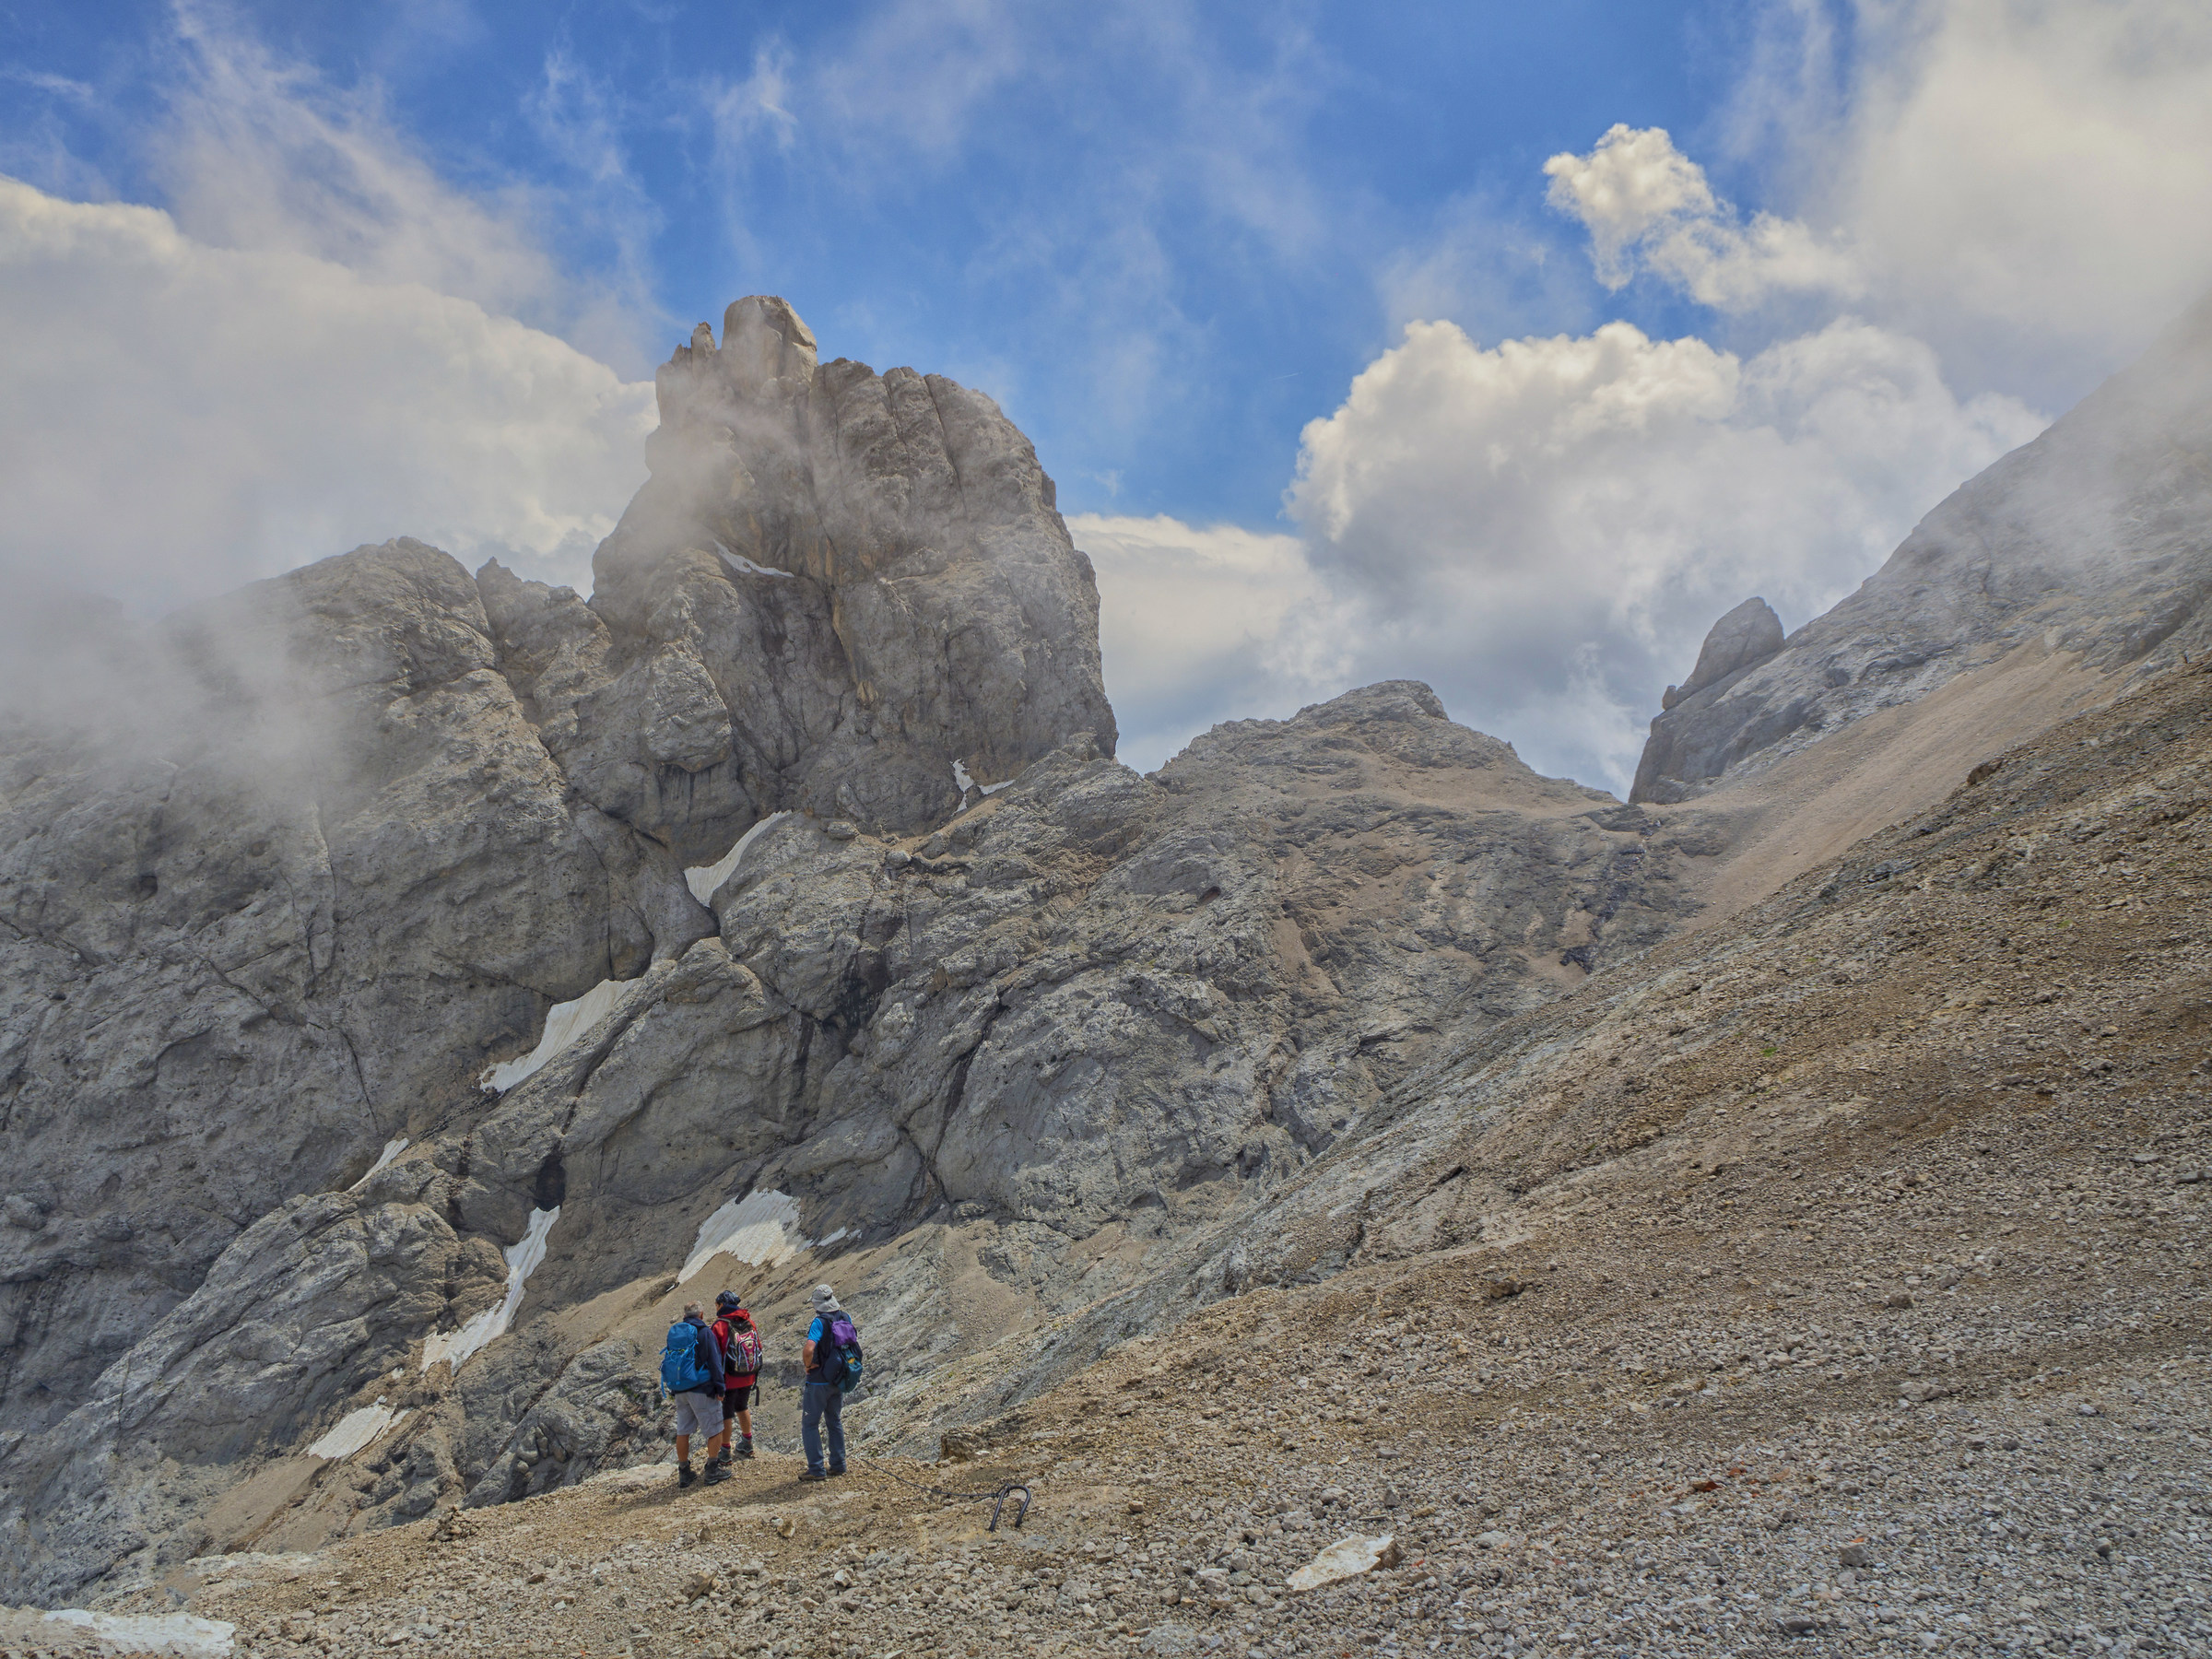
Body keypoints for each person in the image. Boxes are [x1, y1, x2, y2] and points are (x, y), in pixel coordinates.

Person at [665, 1301, 727, 1488]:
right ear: (701, 1315)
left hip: (680, 1389)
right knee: (715, 1428)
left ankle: (684, 1472)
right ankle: (712, 1470)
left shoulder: (676, 1333)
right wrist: (720, 1388)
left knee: (683, 1430)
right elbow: (715, 1361)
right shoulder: (705, 1332)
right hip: (701, 1388)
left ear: (685, 1316)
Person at [798, 1284, 854, 1481]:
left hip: (818, 1382)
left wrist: (808, 1365)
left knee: (810, 1424)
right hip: (838, 1378)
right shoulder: (845, 1317)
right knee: (834, 1420)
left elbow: (809, 1349)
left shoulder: (819, 1322)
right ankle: (838, 1464)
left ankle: (816, 1469)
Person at [712, 1290, 761, 1463]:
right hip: (748, 1374)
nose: (716, 1308)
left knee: (726, 1414)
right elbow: (758, 1346)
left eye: (716, 1305)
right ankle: (747, 1442)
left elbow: (715, 1355)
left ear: (722, 1305)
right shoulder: (749, 1321)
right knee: (742, 1406)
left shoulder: (719, 1325)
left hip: (728, 1378)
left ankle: (725, 1451)